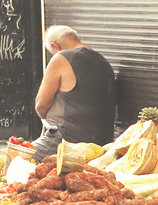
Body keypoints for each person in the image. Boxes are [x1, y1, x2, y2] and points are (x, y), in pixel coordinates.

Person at [32, 25, 117, 159]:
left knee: (17, 159)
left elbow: (41, 105)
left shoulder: (61, 57)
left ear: (55, 46)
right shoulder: (102, 61)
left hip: (65, 140)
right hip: (101, 142)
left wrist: (45, 117)